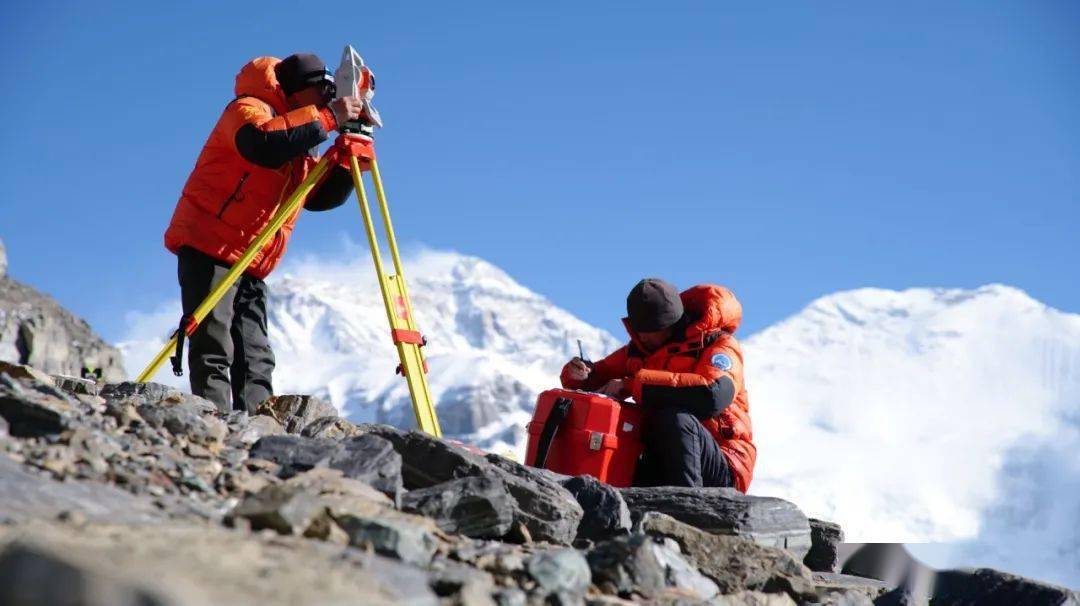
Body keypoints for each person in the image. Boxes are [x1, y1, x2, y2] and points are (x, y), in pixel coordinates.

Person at [164, 53, 364, 413]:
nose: (325, 99)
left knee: (256, 354)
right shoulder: (248, 109)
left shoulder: (298, 133)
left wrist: (350, 160)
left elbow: (315, 197)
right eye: (322, 90)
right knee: (214, 342)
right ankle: (211, 420)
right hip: (211, 243)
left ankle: (258, 425)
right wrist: (331, 117)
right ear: (297, 89)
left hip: (252, 256)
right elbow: (262, 146)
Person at [560, 278, 756, 492]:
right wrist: (580, 375)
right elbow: (598, 376)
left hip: (723, 462)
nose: (643, 336)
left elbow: (713, 395)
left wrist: (631, 385)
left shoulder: (719, 345)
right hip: (664, 455)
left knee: (674, 418)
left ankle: (690, 508)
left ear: (670, 323)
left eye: (650, 329)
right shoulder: (639, 350)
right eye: (639, 329)